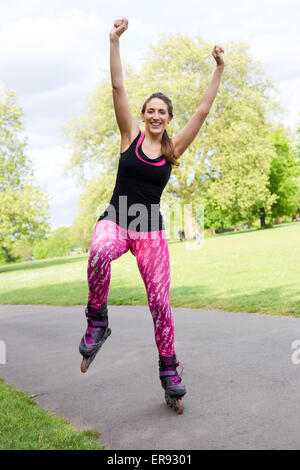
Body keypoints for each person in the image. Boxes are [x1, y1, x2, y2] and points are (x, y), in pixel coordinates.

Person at [79, 17, 225, 413]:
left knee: (160, 303)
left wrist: (219, 68)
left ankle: (169, 370)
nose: (156, 115)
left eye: (163, 111)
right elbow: (118, 87)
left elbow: (203, 109)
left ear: (169, 118)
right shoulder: (129, 135)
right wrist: (113, 41)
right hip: (116, 217)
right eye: (151, 110)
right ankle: (97, 320)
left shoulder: (174, 149)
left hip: (150, 231)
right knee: (97, 253)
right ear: (142, 115)